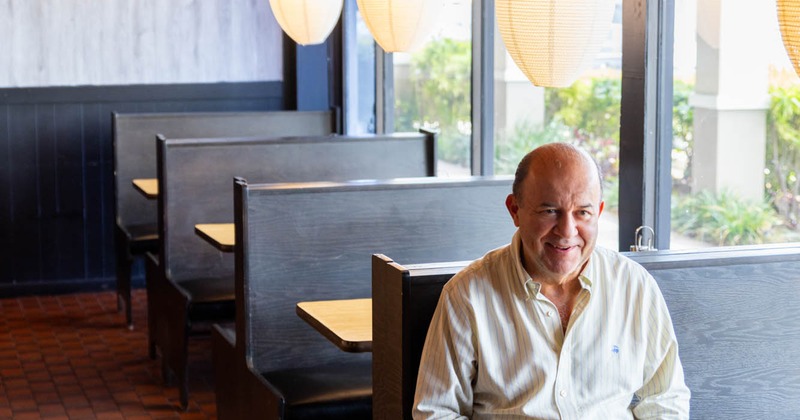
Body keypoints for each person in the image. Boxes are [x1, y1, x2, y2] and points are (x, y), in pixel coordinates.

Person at [413, 143, 690, 419]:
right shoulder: (466, 296)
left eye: (583, 212)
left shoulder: (634, 286)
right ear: (515, 210)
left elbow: (665, 398)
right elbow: (436, 413)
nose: (567, 231)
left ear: (599, 212)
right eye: (550, 211)